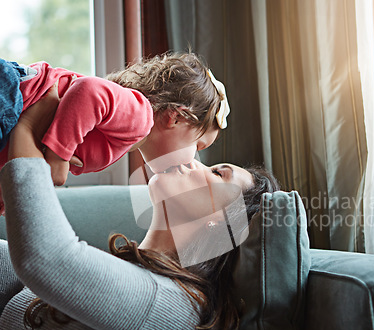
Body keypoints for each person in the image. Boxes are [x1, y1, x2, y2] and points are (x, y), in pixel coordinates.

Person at [0, 85, 278, 330]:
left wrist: (25, 131)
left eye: (217, 173)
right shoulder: (118, 271)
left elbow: (45, 259)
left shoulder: (178, 309)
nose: (194, 159)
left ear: (222, 222)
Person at [0, 51, 230, 211]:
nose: (194, 161)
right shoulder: (141, 119)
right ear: (176, 117)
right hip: (14, 93)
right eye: (198, 146)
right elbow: (88, 91)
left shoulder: (130, 134)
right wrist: (58, 156)